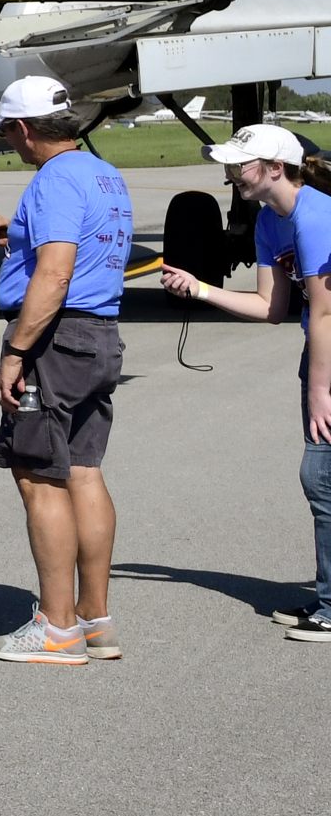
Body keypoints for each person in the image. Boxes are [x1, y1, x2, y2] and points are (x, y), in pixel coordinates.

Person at [0, 74, 132, 666]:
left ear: (26, 128)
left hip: (56, 342)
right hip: (100, 335)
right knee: (84, 470)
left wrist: (14, 351)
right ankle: (94, 618)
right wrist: (14, 236)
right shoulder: (100, 172)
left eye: (9, 131)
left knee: (38, 476)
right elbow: (74, 249)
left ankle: (55, 627)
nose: (11, 141)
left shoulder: (53, 178)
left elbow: (56, 274)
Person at [162, 123, 331, 638]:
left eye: (241, 165)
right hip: (320, 356)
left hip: (328, 359)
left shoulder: (315, 215)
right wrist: (200, 290)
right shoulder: (268, 221)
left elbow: (325, 314)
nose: (231, 174)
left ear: (275, 168)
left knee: (320, 477)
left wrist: (320, 390)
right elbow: (271, 307)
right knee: (323, 480)